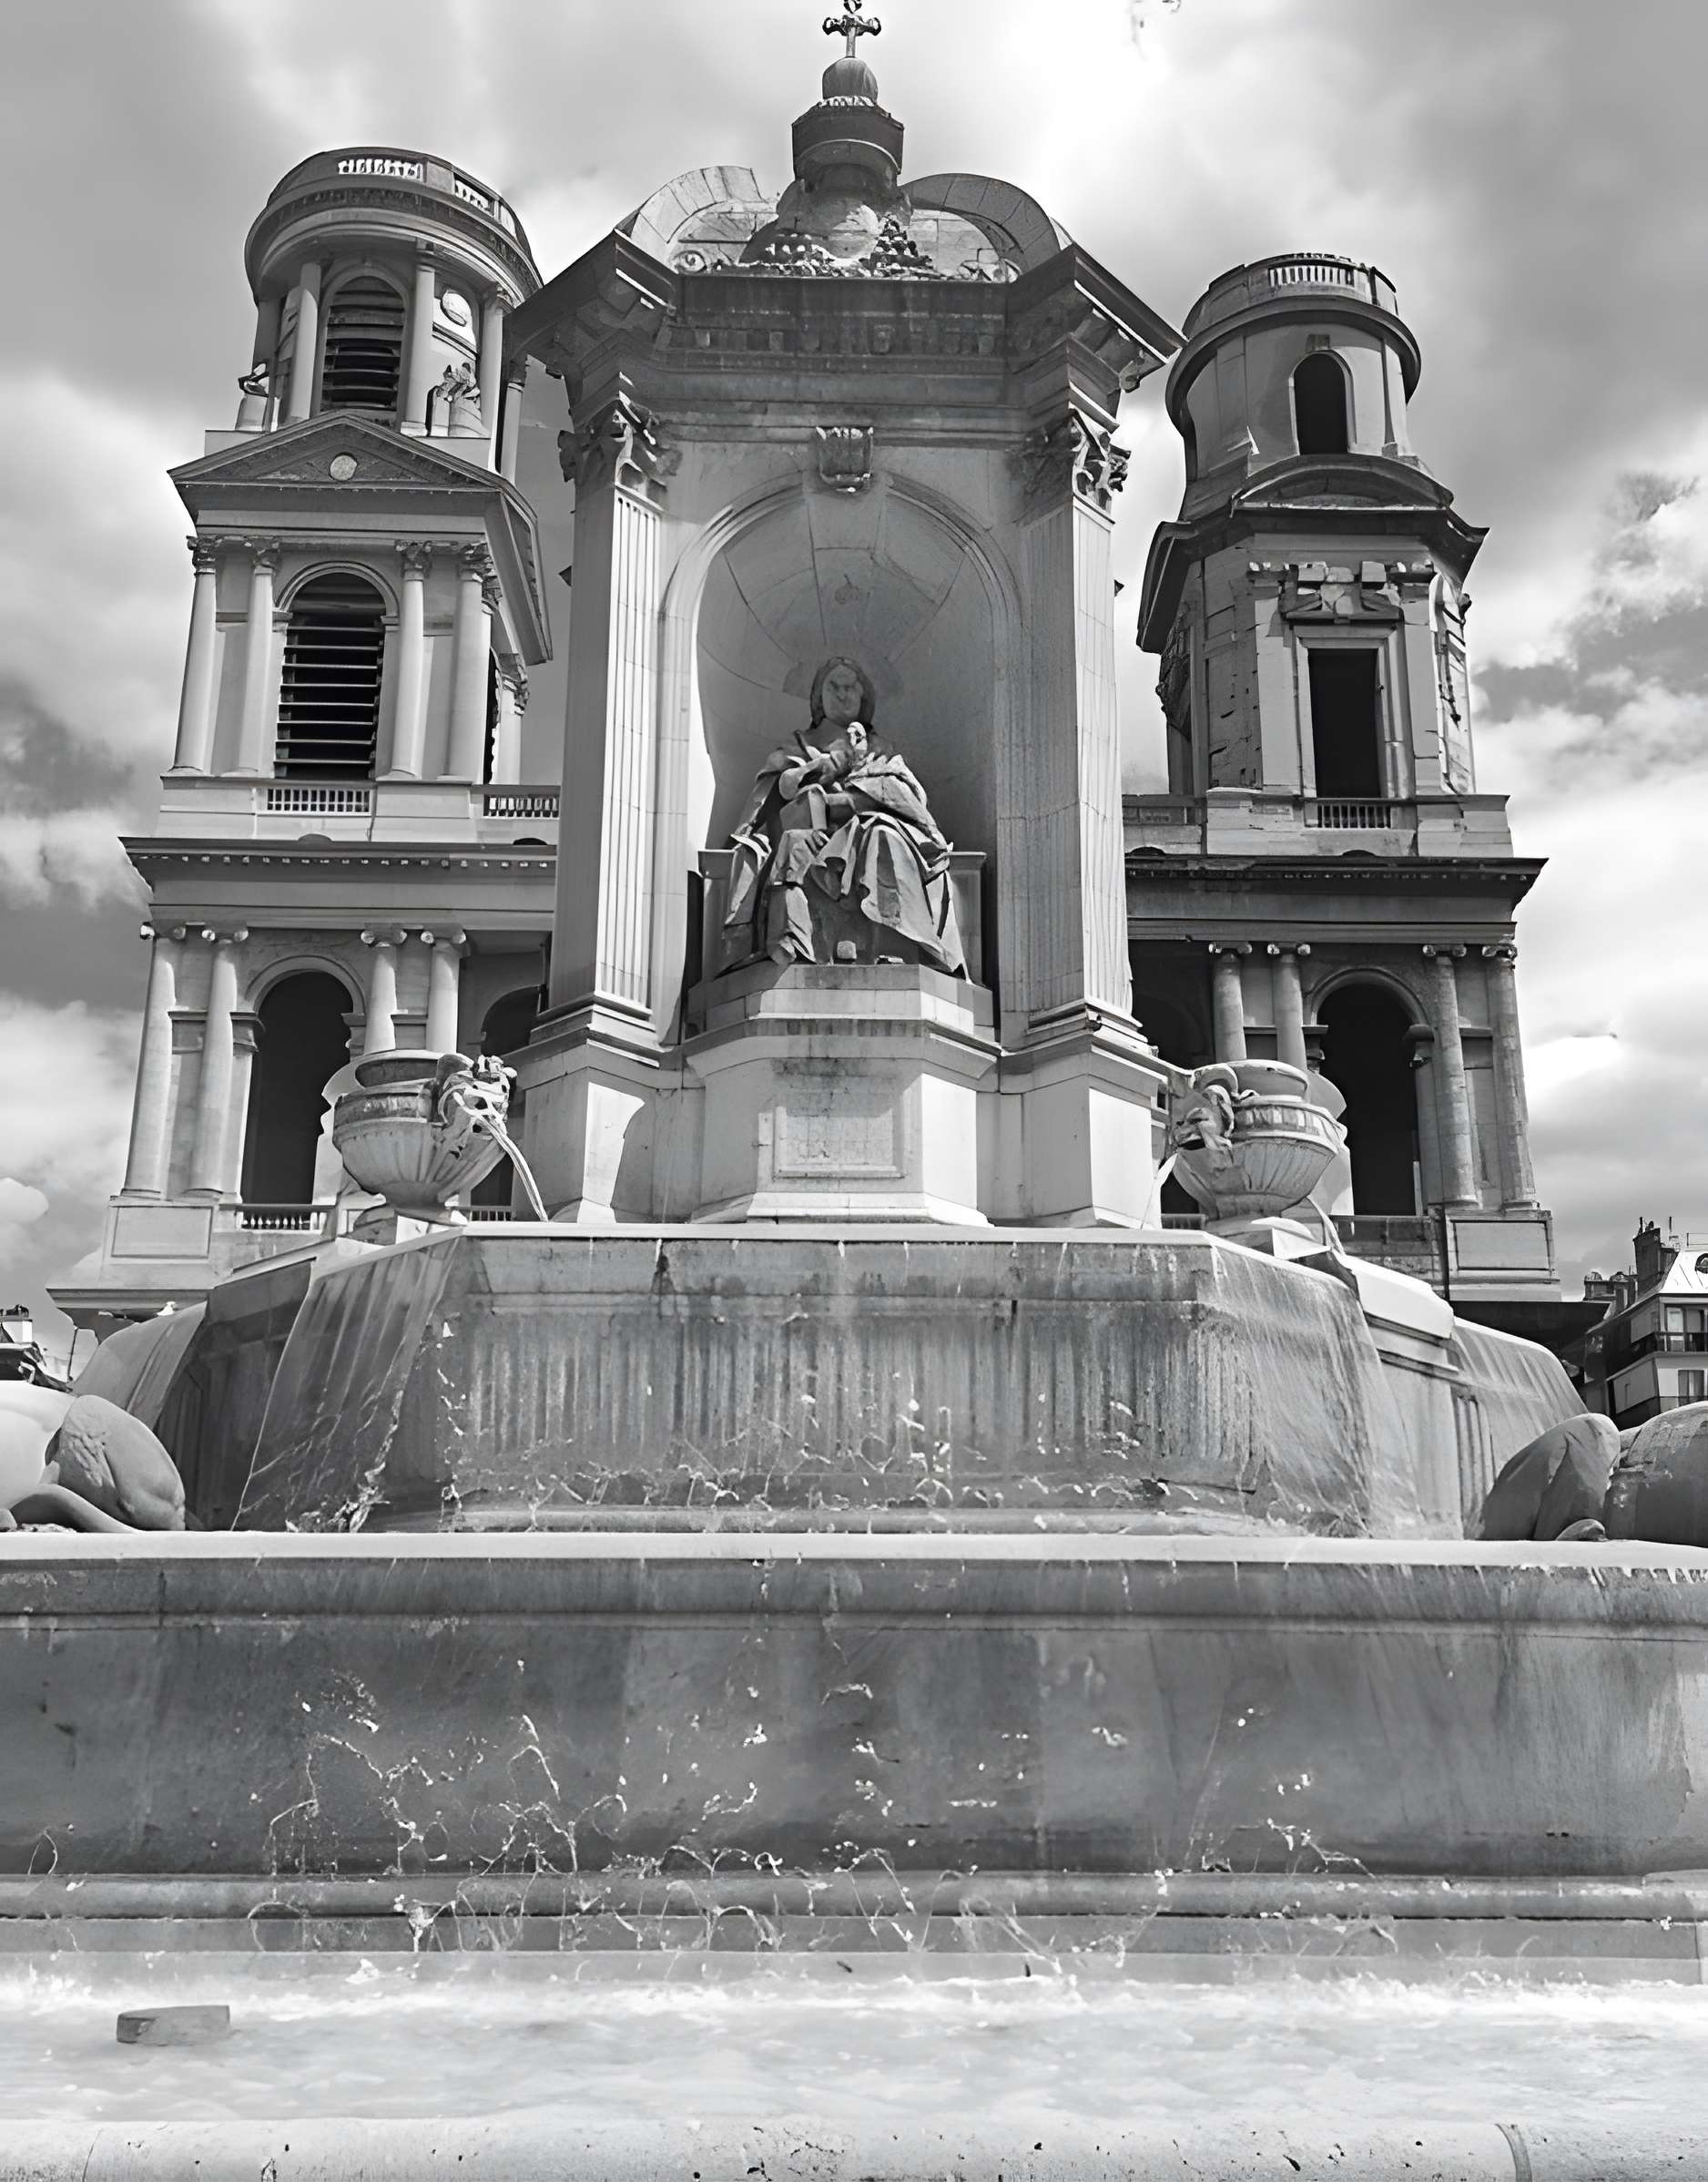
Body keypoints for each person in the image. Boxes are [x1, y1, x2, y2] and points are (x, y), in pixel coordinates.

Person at [723, 657, 965, 975]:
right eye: (833, 687)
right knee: (794, 845)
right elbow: (778, 789)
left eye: (850, 687)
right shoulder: (799, 744)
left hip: (866, 829)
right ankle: (793, 941)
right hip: (814, 830)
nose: (842, 694)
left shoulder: (880, 748)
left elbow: (907, 795)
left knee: (885, 835)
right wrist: (826, 766)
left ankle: (896, 946)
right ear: (818, 697)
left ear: (864, 698)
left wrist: (854, 782)